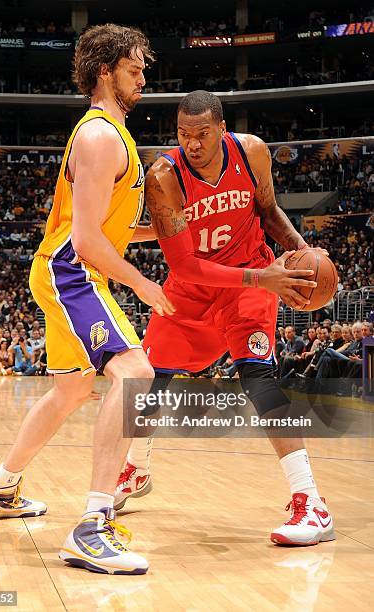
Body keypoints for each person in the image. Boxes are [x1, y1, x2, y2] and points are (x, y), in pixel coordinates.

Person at [0, 24, 174, 576]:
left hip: (69, 269)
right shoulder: (100, 137)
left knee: (71, 388)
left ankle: (1, 489)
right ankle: (92, 526)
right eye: (135, 66)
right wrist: (142, 282)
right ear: (106, 69)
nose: (143, 74)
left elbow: (102, 229)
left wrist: (165, 233)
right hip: (73, 271)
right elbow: (84, 242)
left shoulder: (110, 134)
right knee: (134, 373)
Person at [115, 91, 335, 547]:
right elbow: (185, 268)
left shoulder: (251, 151)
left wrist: (303, 251)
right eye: (183, 134)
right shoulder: (163, 177)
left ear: (220, 129)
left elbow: (269, 212)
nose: (191, 144)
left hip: (252, 283)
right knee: (147, 383)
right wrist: (263, 278)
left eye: (201, 134)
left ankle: (310, 500)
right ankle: (137, 467)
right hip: (197, 288)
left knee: (260, 379)